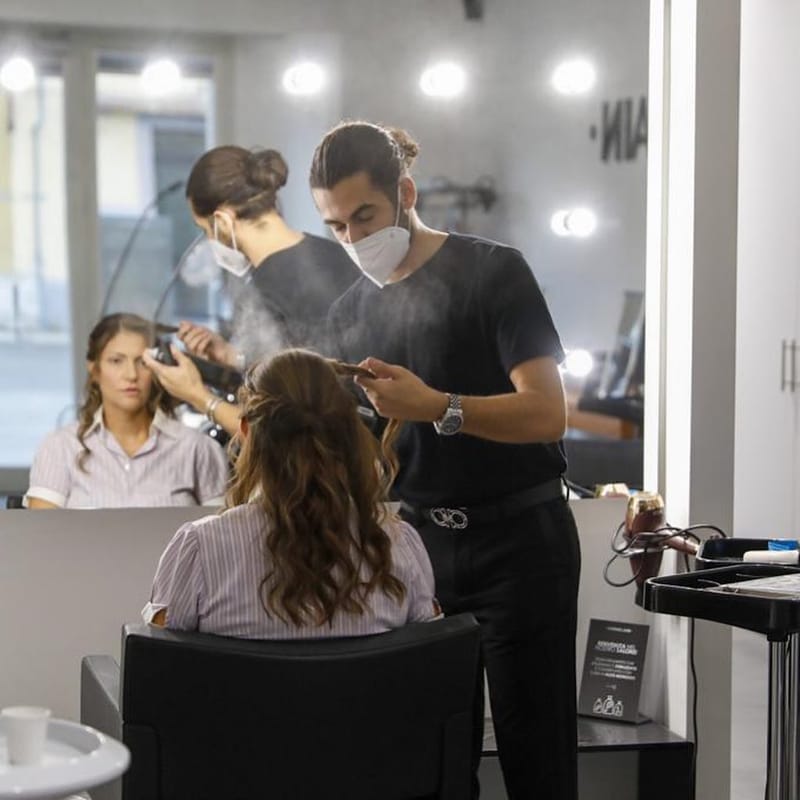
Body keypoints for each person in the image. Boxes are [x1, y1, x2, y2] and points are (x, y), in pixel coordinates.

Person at [309, 121, 581, 800]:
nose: (352, 239)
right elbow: (374, 452)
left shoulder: (493, 271)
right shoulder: (350, 311)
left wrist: (440, 406)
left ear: (406, 191)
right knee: (430, 759)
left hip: (522, 545)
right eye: (335, 226)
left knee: (536, 755)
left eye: (364, 216)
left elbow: (548, 413)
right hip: (420, 549)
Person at [142, 349, 436, 638]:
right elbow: (432, 666)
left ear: (245, 431)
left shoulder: (198, 550)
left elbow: (158, 669)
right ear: (349, 432)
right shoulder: (397, 547)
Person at [144, 146, 357, 437]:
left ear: (222, 221)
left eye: (204, 229)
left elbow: (277, 432)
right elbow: (307, 362)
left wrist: (198, 396)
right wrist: (232, 355)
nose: (209, 239)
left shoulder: (264, 293)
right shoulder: (335, 255)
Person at [25, 313, 229, 509]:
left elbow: (222, 536)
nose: (131, 375)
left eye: (142, 362)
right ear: (95, 370)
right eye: (116, 361)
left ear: (157, 368)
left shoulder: (198, 449)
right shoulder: (60, 448)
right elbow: (43, 537)